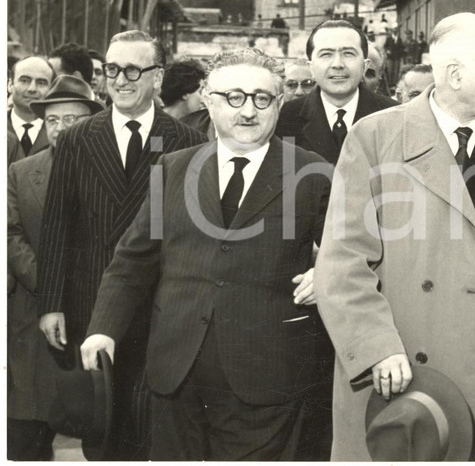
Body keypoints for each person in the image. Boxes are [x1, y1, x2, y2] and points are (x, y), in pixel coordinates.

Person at [314, 12, 475, 461]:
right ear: (454, 74)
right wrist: (377, 349)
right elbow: (342, 261)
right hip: (403, 373)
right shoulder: (375, 138)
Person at [80, 48, 331, 460]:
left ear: (279, 104)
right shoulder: (173, 168)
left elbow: (353, 251)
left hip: (266, 375)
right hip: (175, 373)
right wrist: (103, 328)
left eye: (261, 98)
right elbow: (132, 261)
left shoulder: (314, 173)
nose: (247, 110)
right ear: (208, 100)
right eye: (233, 97)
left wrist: (328, 272)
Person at [36, 30, 206, 460]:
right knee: (103, 429)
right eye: (112, 69)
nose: (121, 79)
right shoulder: (77, 138)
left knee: (153, 425)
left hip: (160, 308)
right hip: (91, 305)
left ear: (157, 76)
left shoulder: (187, 141)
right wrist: (51, 302)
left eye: (133, 69)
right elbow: (58, 226)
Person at [7, 75, 103, 460]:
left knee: (101, 422)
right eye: (53, 120)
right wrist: (51, 289)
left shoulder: (113, 172)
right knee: (30, 426)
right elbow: (11, 236)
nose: (62, 128)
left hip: (97, 311)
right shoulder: (20, 171)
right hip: (34, 317)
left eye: (72, 119)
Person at [276, 19, 397, 165]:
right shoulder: (285, 117)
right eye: (326, 54)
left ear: (365, 66)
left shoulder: (393, 115)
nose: (338, 64)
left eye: (348, 54)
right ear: (311, 67)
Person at [7, 56, 55, 160]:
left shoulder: (59, 133)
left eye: (41, 83)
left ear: (52, 89)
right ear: (10, 84)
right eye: (24, 81)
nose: (32, 89)